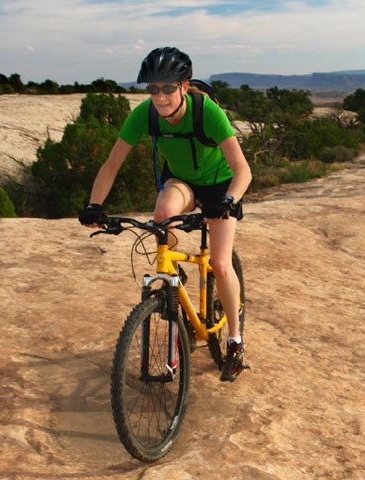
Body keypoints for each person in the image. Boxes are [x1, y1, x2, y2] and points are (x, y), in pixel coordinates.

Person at [78, 46, 252, 382]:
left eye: (168, 88)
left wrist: (228, 201)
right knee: (162, 213)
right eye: (153, 89)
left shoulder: (208, 112)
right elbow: (112, 164)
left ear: (184, 86)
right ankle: (175, 283)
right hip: (183, 180)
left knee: (219, 263)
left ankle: (234, 341)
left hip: (221, 185)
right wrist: (94, 205)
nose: (160, 97)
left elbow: (243, 169)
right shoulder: (144, 114)